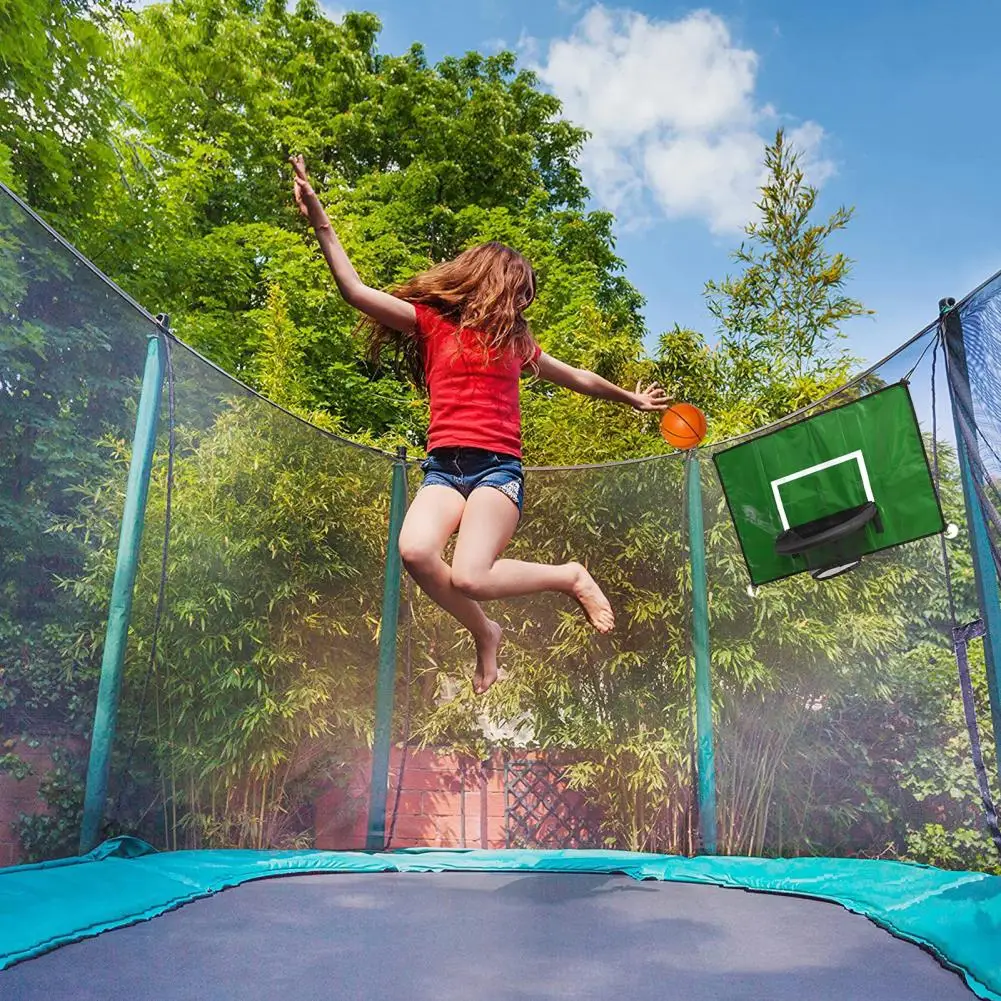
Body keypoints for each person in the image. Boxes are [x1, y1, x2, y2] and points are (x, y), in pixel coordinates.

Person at [291, 155, 670, 693]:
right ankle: (485, 632)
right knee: (416, 552)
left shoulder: (517, 344)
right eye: (519, 294)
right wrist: (321, 223)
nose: (522, 305)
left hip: (497, 471)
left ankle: (570, 576)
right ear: (491, 283)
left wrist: (629, 399)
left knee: (471, 573)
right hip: (443, 469)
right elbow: (355, 290)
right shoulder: (431, 324)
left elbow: (578, 376)